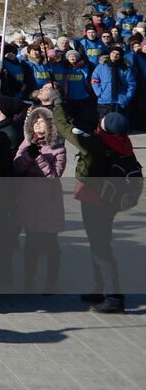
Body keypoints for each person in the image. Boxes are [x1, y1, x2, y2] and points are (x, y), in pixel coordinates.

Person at [50, 88, 135, 313]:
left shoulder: (97, 144)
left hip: (95, 200)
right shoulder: (123, 143)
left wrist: (57, 104)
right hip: (110, 201)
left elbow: (66, 130)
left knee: (100, 248)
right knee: (100, 242)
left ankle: (114, 298)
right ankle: (100, 288)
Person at [13, 105, 66, 293]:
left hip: (48, 200)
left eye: (41, 121)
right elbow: (17, 167)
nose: (36, 124)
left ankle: (51, 283)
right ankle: (28, 282)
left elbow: (54, 175)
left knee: (51, 244)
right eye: (34, 121)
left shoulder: (58, 147)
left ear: (50, 125)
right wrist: (28, 155)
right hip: (28, 198)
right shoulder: (27, 142)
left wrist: (39, 159)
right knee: (31, 243)